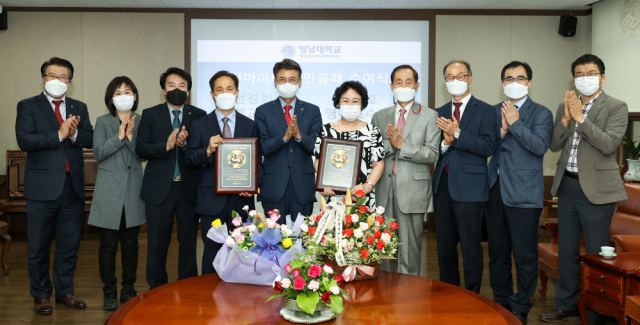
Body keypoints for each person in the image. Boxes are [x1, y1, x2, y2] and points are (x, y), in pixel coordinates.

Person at [539, 54, 628, 324]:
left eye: (590, 73)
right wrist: (566, 120)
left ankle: (599, 310)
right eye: (579, 74)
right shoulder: (565, 105)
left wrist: (581, 118)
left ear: (602, 77)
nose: (584, 78)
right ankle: (565, 306)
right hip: (568, 186)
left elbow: (609, 145)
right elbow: (554, 145)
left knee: (596, 253)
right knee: (566, 251)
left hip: (598, 191)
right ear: (573, 78)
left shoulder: (616, 106)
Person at [15, 57, 94, 315]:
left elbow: (90, 137)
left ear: (70, 82)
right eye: (52, 76)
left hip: (72, 188)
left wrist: (73, 134)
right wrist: (58, 135)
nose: (58, 81)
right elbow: (25, 139)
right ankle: (40, 295)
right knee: (38, 247)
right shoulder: (27, 106)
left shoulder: (78, 106)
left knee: (69, 246)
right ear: (43, 78)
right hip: (42, 189)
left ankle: (65, 291)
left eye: (63, 77)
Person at [486, 61, 553, 324]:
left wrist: (515, 124)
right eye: (509, 78)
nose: (514, 82)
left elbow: (539, 147)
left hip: (525, 195)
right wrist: (501, 130)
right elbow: (486, 147)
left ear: (530, 83)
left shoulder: (541, 113)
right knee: (498, 254)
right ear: (502, 83)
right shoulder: (491, 111)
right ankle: (501, 301)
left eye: (520, 78)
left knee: (525, 257)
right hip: (494, 192)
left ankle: (520, 306)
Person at [185, 71, 262, 274]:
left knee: (243, 252)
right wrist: (207, 150)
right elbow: (190, 159)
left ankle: (240, 300)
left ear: (237, 92)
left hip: (242, 199)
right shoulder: (200, 125)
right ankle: (209, 298)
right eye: (220, 89)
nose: (225, 93)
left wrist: (253, 186)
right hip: (211, 200)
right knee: (212, 252)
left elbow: (257, 162)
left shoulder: (250, 125)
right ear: (212, 94)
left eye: (229, 89)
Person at [135, 67, 206, 288]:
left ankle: (187, 286)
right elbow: (141, 149)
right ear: (163, 91)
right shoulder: (150, 114)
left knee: (187, 242)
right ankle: (156, 288)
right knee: (157, 242)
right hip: (158, 188)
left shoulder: (200, 116)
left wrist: (185, 145)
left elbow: (203, 152)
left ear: (189, 91)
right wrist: (165, 145)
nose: (177, 89)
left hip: (188, 188)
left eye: (182, 86)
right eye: (172, 85)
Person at [432, 60, 499, 293]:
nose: (455, 81)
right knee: (444, 247)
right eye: (450, 77)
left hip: (471, 187)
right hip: (443, 185)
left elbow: (489, 146)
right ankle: (449, 293)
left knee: (471, 247)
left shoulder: (488, 110)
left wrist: (457, 133)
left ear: (470, 78)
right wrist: (445, 142)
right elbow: (436, 150)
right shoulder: (439, 112)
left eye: (460, 76)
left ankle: (472, 295)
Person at [371, 65, 439, 276]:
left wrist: (403, 146)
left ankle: (410, 301)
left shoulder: (429, 115)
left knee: (410, 253)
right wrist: (393, 144)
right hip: (384, 190)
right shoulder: (380, 116)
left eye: (408, 82)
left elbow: (432, 153)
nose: (403, 86)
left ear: (417, 86)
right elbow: (374, 152)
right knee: (384, 252)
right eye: (398, 82)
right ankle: (385, 298)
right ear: (391, 86)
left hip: (413, 190)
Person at [88, 76, 146, 310]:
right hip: (108, 192)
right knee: (108, 245)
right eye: (118, 92)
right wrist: (119, 136)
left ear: (135, 96)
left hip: (133, 191)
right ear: (111, 98)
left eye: (128, 91)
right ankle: (109, 290)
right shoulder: (103, 121)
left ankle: (129, 288)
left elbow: (143, 155)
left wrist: (131, 138)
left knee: (131, 244)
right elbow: (98, 153)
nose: (124, 96)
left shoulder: (142, 121)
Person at [254, 59, 322, 222]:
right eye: (282, 79)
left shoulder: (313, 110)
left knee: (303, 239)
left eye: (292, 79)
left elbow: (316, 147)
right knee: (274, 239)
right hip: (273, 185)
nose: (287, 83)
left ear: (300, 82)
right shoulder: (262, 111)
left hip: (303, 186)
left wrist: (298, 136)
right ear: (275, 82)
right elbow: (262, 147)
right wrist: (284, 138)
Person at [313, 81, 384, 209]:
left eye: (355, 101)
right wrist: (324, 184)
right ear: (338, 103)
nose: (350, 105)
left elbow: (378, 164)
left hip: (363, 198)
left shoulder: (372, 131)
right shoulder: (325, 130)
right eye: (346, 101)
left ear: (362, 104)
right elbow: (318, 161)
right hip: (332, 197)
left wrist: (367, 186)